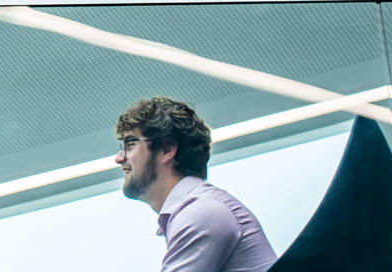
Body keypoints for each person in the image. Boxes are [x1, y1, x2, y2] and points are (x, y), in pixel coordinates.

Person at [114, 97, 275, 272]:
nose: (119, 158)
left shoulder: (201, 213)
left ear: (166, 150)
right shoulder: (197, 209)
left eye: (130, 144)